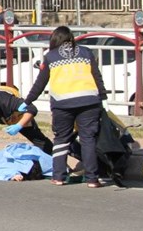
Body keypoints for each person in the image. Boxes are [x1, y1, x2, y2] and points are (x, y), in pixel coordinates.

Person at [14, 26, 108, 187]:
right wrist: (103, 98)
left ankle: (58, 177)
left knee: (61, 139)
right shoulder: (86, 52)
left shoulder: (51, 56)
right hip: (89, 102)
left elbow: (40, 83)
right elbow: (96, 76)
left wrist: (27, 101)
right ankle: (92, 179)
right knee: (88, 139)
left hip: (62, 104)